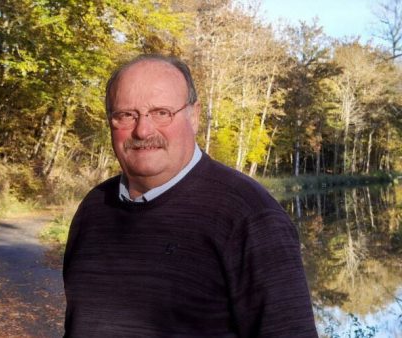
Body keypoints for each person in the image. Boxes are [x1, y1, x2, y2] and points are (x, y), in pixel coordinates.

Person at [62, 55, 318, 337]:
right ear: (111, 122)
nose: (143, 130)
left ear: (194, 116)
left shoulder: (248, 216)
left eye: (161, 112)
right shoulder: (95, 208)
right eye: (126, 115)